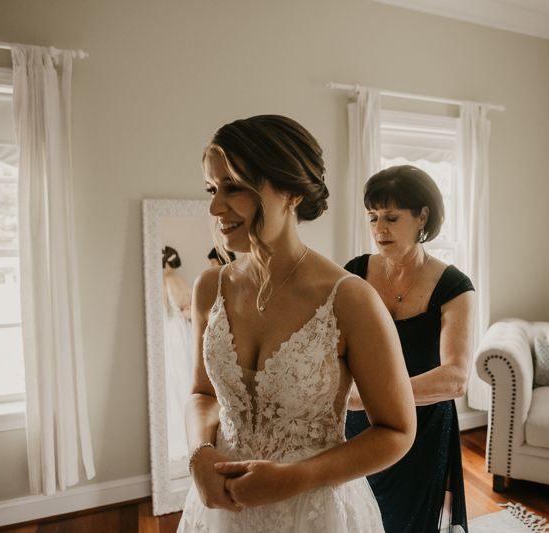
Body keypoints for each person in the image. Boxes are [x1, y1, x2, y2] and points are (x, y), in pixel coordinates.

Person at [178, 115, 416, 533]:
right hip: (223, 512)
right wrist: (199, 453)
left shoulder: (349, 299)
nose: (216, 207)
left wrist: (294, 478)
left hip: (314, 511)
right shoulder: (209, 288)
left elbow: (397, 431)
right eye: (212, 189)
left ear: (289, 191)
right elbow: (202, 393)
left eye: (233, 186)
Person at [345, 165, 476, 533]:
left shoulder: (454, 287)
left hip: (422, 431)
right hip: (357, 426)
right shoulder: (353, 274)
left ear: (423, 217)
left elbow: (455, 380)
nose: (379, 230)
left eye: (391, 217)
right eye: (372, 218)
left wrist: (375, 397)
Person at [162, 246, 194, 464]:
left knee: (174, 378)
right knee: (188, 374)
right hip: (186, 331)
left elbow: (162, 310)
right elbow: (192, 308)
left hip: (172, 332)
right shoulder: (184, 281)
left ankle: (178, 435)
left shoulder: (164, 282)